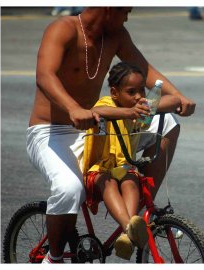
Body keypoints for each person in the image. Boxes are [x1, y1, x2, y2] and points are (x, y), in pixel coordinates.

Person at [26, 7, 195, 263]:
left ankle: (133, 219)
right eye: (125, 10)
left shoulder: (116, 35)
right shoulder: (64, 28)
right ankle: (54, 258)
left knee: (168, 122)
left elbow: (145, 70)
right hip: (52, 130)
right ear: (108, 8)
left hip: (95, 125)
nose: (127, 16)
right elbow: (44, 76)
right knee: (70, 189)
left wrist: (179, 96)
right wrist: (73, 108)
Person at [82, 61, 181, 260]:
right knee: (108, 183)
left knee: (131, 181)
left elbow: (173, 101)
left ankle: (128, 233)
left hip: (123, 166)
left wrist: (152, 103)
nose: (138, 96)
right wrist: (129, 112)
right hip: (98, 169)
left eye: (142, 91)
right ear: (114, 92)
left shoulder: (140, 108)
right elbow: (99, 111)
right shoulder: (108, 104)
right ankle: (129, 228)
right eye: (131, 91)